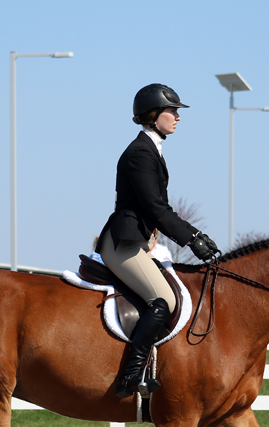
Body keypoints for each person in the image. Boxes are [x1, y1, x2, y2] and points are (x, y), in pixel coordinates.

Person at [96, 83, 220, 398]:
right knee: (163, 300)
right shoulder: (140, 153)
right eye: (172, 110)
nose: (178, 117)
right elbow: (156, 208)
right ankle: (130, 377)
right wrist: (193, 238)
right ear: (153, 116)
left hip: (137, 241)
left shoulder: (151, 149)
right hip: (122, 244)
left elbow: (154, 210)